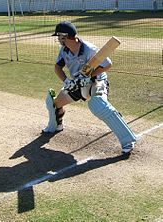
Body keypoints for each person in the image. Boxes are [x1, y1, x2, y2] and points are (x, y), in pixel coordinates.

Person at [42, 21, 137, 154]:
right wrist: (67, 82)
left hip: (96, 82)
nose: (58, 40)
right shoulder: (64, 50)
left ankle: (128, 141)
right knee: (53, 103)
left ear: (65, 36)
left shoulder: (89, 49)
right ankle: (57, 125)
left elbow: (107, 65)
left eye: (59, 37)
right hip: (77, 84)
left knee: (98, 104)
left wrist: (89, 75)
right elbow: (57, 67)